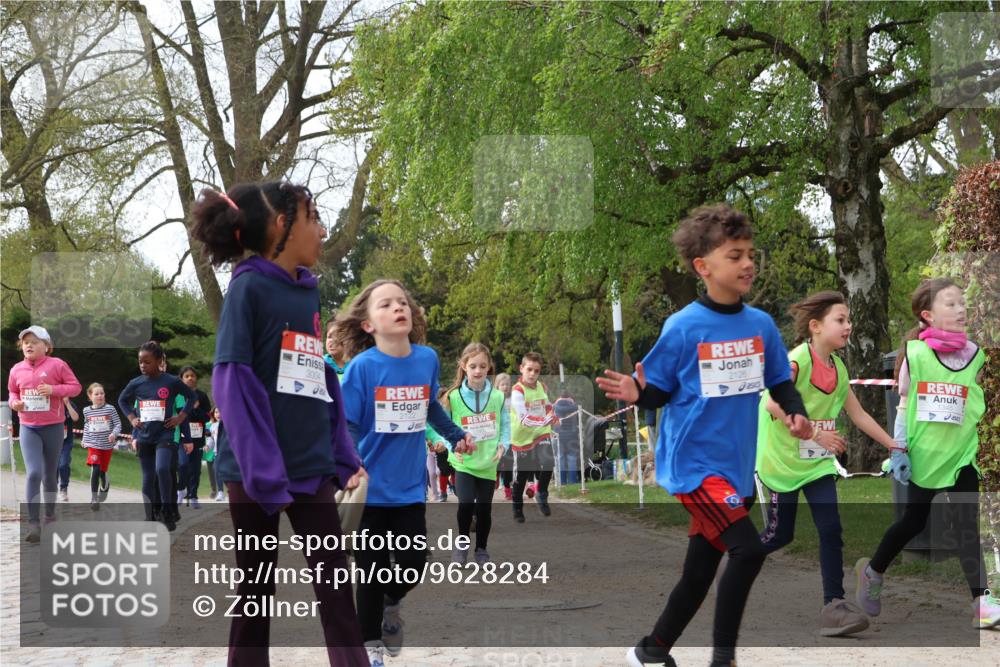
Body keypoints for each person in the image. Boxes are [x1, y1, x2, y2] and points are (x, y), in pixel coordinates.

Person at [597, 204, 812, 667]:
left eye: (750, 254)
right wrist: (638, 392)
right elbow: (658, 391)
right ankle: (723, 659)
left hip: (737, 470)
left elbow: (780, 381)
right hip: (694, 468)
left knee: (698, 573)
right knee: (748, 551)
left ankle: (650, 652)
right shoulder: (683, 327)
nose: (748, 264)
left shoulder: (760, 325)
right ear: (703, 267)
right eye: (735, 256)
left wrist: (795, 412)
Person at [193, 181, 369, 666]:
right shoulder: (247, 288)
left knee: (336, 586)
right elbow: (232, 382)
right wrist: (264, 470)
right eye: (313, 218)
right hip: (255, 475)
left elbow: (319, 379)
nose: (322, 230)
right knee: (255, 591)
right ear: (281, 225)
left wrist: (342, 452)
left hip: (310, 468)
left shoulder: (308, 292)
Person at [335, 279, 474, 664]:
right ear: (368, 324)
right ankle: (371, 650)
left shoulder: (426, 359)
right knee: (371, 572)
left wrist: (455, 436)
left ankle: (390, 603)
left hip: (409, 489)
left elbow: (430, 406)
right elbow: (347, 424)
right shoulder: (362, 368)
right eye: (386, 304)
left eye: (402, 302)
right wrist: (351, 462)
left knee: (413, 566)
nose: (398, 308)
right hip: (368, 490)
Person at [855, 278, 1000, 629]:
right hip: (924, 455)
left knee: (966, 525)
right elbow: (903, 406)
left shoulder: (975, 354)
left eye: (962, 302)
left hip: (961, 455)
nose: (961, 309)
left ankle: (981, 603)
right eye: (950, 304)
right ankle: (873, 572)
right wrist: (899, 449)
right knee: (913, 522)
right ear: (928, 315)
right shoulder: (916, 355)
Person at [756, 291, 897, 636]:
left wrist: (894, 444)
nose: (849, 326)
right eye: (840, 320)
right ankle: (737, 560)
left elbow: (858, 414)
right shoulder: (796, 361)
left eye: (849, 320)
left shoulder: (839, 368)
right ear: (816, 326)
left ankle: (834, 605)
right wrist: (815, 434)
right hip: (782, 462)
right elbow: (772, 402)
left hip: (817, 464)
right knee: (780, 535)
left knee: (831, 529)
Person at [7, 326, 82, 542]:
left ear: (47, 346)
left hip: (53, 427)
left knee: (50, 476)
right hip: (28, 427)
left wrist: (53, 390)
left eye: (34, 342)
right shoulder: (16, 369)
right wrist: (14, 403)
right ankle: (33, 524)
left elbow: (75, 387)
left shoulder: (57, 365)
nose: (28, 345)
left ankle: (49, 517)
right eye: (25, 342)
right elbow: (12, 391)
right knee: (33, 473)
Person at [436, 343, 510, 564]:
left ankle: (481, 549)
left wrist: (503, 445)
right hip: (464, 462)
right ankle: (462, 544)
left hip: (488, 462)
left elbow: (506, 426)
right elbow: (444, 427)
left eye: (483, 366)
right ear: (463, 366)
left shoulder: (497, 397)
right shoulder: (453, 397)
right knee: (466, 504)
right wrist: (450, 445)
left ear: (489, 367)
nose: (478, 371)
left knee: (484, 510)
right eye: (473, 366)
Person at [118, 341, 195, 532]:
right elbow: (122, 400)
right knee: (148, 477)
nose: (143, 365)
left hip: (165, 435)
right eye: (140, 362)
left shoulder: (171, 381)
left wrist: (180, 417)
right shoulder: (136, 383)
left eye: (147, 362)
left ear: (159, 361)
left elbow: (191, 397)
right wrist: (132, 418)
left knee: (162, 469)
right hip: (145, 436)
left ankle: (168, 513)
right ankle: (150, 515)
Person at [509, 352, 559, 522]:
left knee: (549, 461)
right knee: (522, 475)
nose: (532, 374)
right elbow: (523, 418)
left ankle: (542, 492)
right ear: (521, 369)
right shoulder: (517, 391)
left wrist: (552, 415)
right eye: (529, 369)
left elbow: (547, 405)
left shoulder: (542, 387)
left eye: (536, 371)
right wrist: (544, 420)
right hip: (522, 437)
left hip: (540, 432)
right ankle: (517, 507)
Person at [81, 382, 122, 510]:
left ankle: (105, 486)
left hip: (106, 445)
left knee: (102, 472)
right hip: (93, 444)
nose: (100, 396)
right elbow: (86, 426)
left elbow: (118, 424)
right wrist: (84, 440)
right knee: (96, 469)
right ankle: (94, 498)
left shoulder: (110, 409)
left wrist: (114, 434)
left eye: (102, 393)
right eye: (96, 394)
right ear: (90, 396)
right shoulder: (86, 411)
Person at [177, 366, 212, 508]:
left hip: (197, 438)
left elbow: (207, 417)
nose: (190, 378)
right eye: (186, 376)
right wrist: (189, 408)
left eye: (192, 375)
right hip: (182, 438)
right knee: (182, 464)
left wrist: (196, 408)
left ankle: (193, 496)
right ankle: (180, 490)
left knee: (195, 470)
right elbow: (179, 415)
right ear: (181, 379)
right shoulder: (178, 396)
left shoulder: (202, 396)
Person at [553, 390, 580, 484]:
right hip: (572, 436)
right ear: (569, 397)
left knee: (560, 458)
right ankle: (573, 481)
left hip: (559, 435)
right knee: (572, 458)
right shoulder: (575, 407)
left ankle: (562, 481)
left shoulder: (555, 406)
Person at [494, 372, 514, 500]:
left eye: (507, 384)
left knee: (508, 465)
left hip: (510, 437)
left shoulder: (513, 400)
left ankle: (508, 489)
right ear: (497, 386)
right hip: (496, 437)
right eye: (502, 384)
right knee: (496, 462)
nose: (505, 387)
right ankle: (494, 477)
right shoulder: (493, 399)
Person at [57, 395, 80, 501]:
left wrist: (67, 404)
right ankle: (52, 488)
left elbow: (75, 418)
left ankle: (63, 488)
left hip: (66, 441)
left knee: (64, 464)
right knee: (53, 466)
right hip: (52, 441)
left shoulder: (70, 404)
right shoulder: (50, 403)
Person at [203, 407, 219, 500]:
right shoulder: (208, 425)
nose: (217, 415)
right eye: (215, 413)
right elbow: (209, 438)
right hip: (210, 452)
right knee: (211, 473)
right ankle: (214, 490)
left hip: (219, 452)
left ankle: (221, 490)